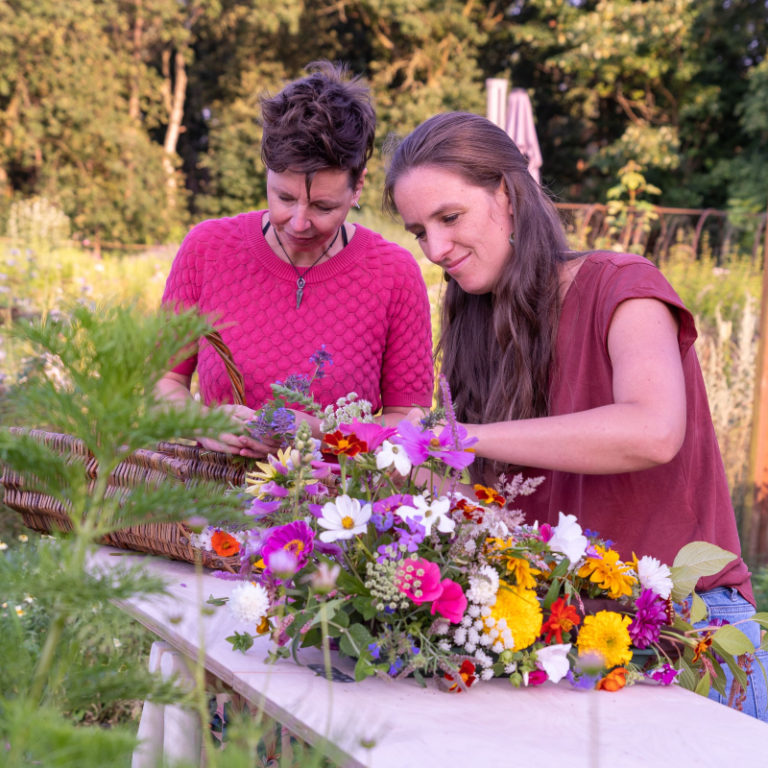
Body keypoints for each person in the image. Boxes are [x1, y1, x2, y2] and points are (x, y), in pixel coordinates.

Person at [383, 110, 767, 720]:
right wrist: (375, 471)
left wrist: (461, 436)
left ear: (506, 195)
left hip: (684, 630)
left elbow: (653, 431)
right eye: (418, 231)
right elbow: (476, 494)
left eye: (449, 218)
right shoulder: (475, 328)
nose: (434, 249)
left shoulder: (623, 286)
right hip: (561, 637)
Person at [157, 61, 434, 457]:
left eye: (323, 205)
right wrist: (204, 426)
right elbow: (162, 384)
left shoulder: (393, 273)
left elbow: (408, 423)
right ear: (266, 170)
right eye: (284, 198)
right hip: (213, 503)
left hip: (340, 512)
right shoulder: (207, 249)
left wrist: (317, 432)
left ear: (358, 186)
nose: (299, 222)